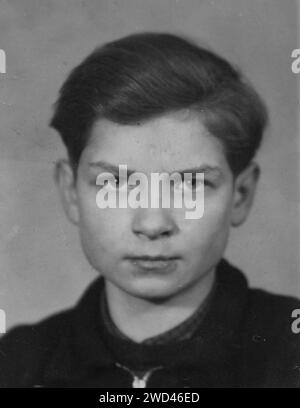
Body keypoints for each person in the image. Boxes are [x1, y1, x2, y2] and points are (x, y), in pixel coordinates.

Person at [0, 32, 299, 388]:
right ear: (71, 191)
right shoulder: (16, 364)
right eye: (115, 184)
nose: (153, 223)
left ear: (241, 194)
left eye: (191, 185)